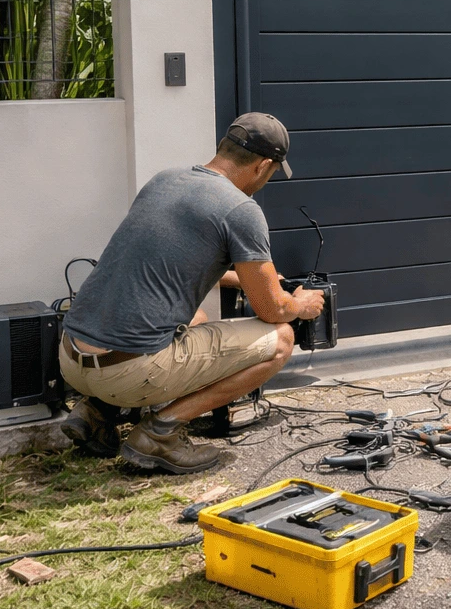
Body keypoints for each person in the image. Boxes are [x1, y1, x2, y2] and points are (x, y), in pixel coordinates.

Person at [58, 112, 325, 473]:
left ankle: (95, 412)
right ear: (263, 167)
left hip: (70, 359)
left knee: (195, 318)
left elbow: (173, 266)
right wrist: (300, 304)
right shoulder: (241, 209)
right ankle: (160, 434)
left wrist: (244, 278)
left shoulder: (164, 181)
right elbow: (272, 309)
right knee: (281, 339)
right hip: (129, 374)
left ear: (223, 147)